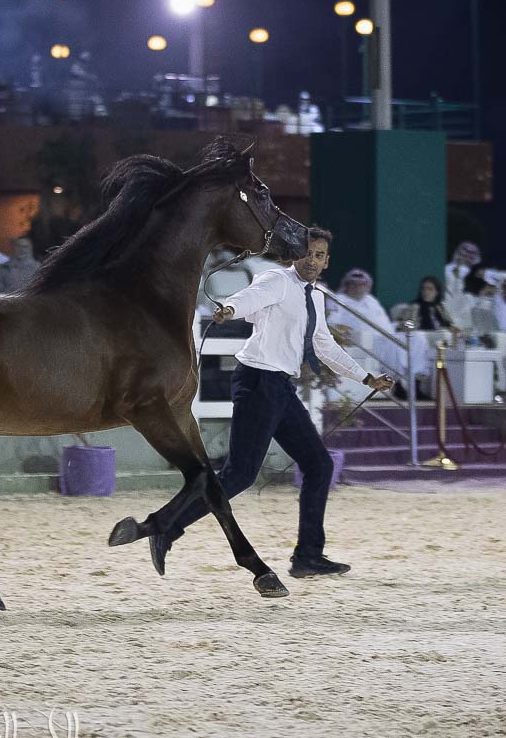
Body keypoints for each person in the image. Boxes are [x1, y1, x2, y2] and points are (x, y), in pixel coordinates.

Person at [160, 228, 394, 579]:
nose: (312, 260)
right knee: (240, 475)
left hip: (280, 386)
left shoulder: (315, 297)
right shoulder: (277, 280)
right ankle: (168, 527)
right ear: (294, 254)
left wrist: (366, 378)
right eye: (307, 253)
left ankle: (308, 557)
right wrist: (230, 308)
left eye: (319, 255)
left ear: (327, 262)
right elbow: (250, 298)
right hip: (258, 381)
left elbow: (324, 345)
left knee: (318, 465)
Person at [326, 268, 406, 383]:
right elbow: (333, 323)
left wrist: (397, 325)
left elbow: (384, 324)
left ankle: (416, 378)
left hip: (386, 335)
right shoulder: (338, 300)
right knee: (392, 343)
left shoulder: (371, 300)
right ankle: (397, 381)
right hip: (366, 341)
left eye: (362, 284)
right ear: (347, 285)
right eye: (354, 284)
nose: (358, 287)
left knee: (416, 338)